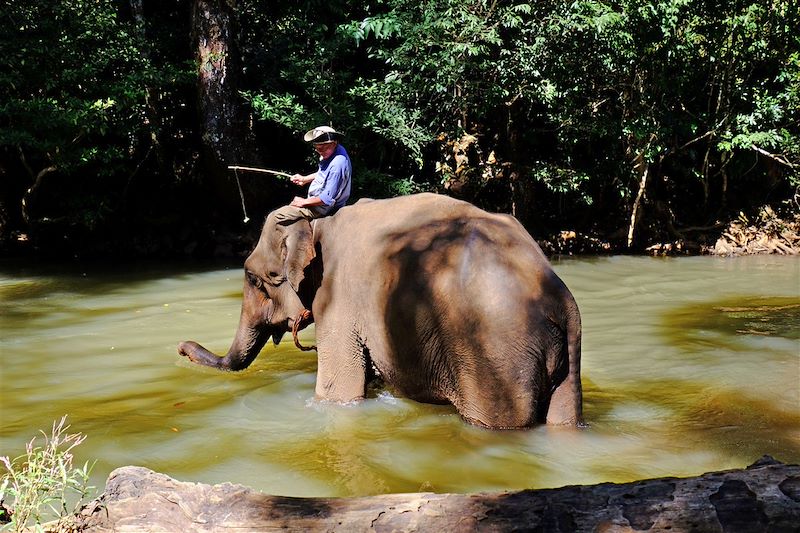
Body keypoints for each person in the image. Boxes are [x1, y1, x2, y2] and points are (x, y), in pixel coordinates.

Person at [274, 126, 352, 223]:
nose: (320, 152)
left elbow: (326, 199)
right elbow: (324, 174)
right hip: (320, 202)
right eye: (317, 149)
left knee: (278, 216)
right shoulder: (336, 151)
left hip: (324, 208)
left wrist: (303, 202)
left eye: (323, 149)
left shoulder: (337, 164)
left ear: (334, 143)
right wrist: (304, 179)